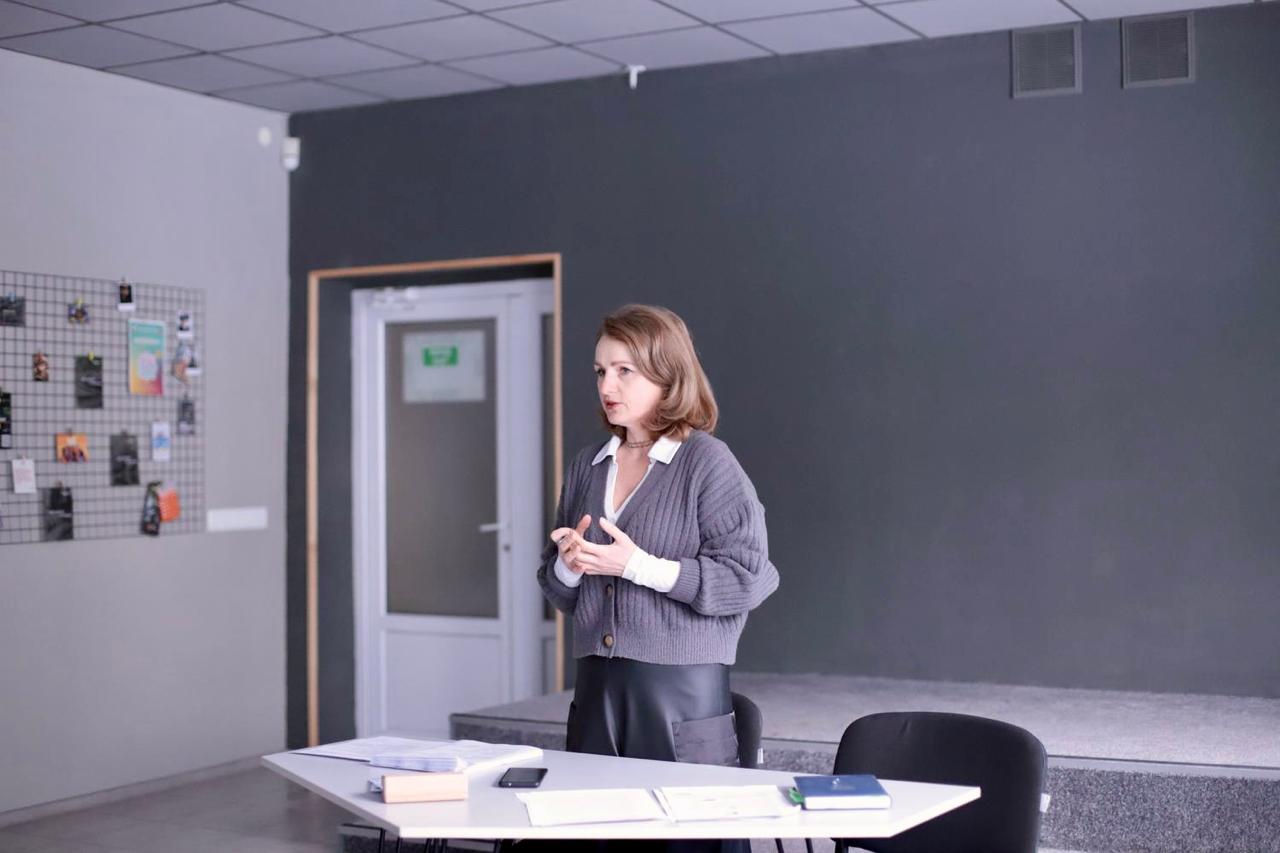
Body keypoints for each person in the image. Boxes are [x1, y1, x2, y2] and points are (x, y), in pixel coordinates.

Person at [537, 304, 779, 853]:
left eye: (625, 370)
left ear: (668, 374)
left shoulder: (707, 463)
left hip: (681, 699)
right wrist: (570, 564)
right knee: (595, 841)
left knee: (688, 844)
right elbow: (556, 586)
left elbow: (749, 577)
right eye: (600, 371)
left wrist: (635, 566)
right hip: (597, 695)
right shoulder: (588, 465)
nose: (607, 386)